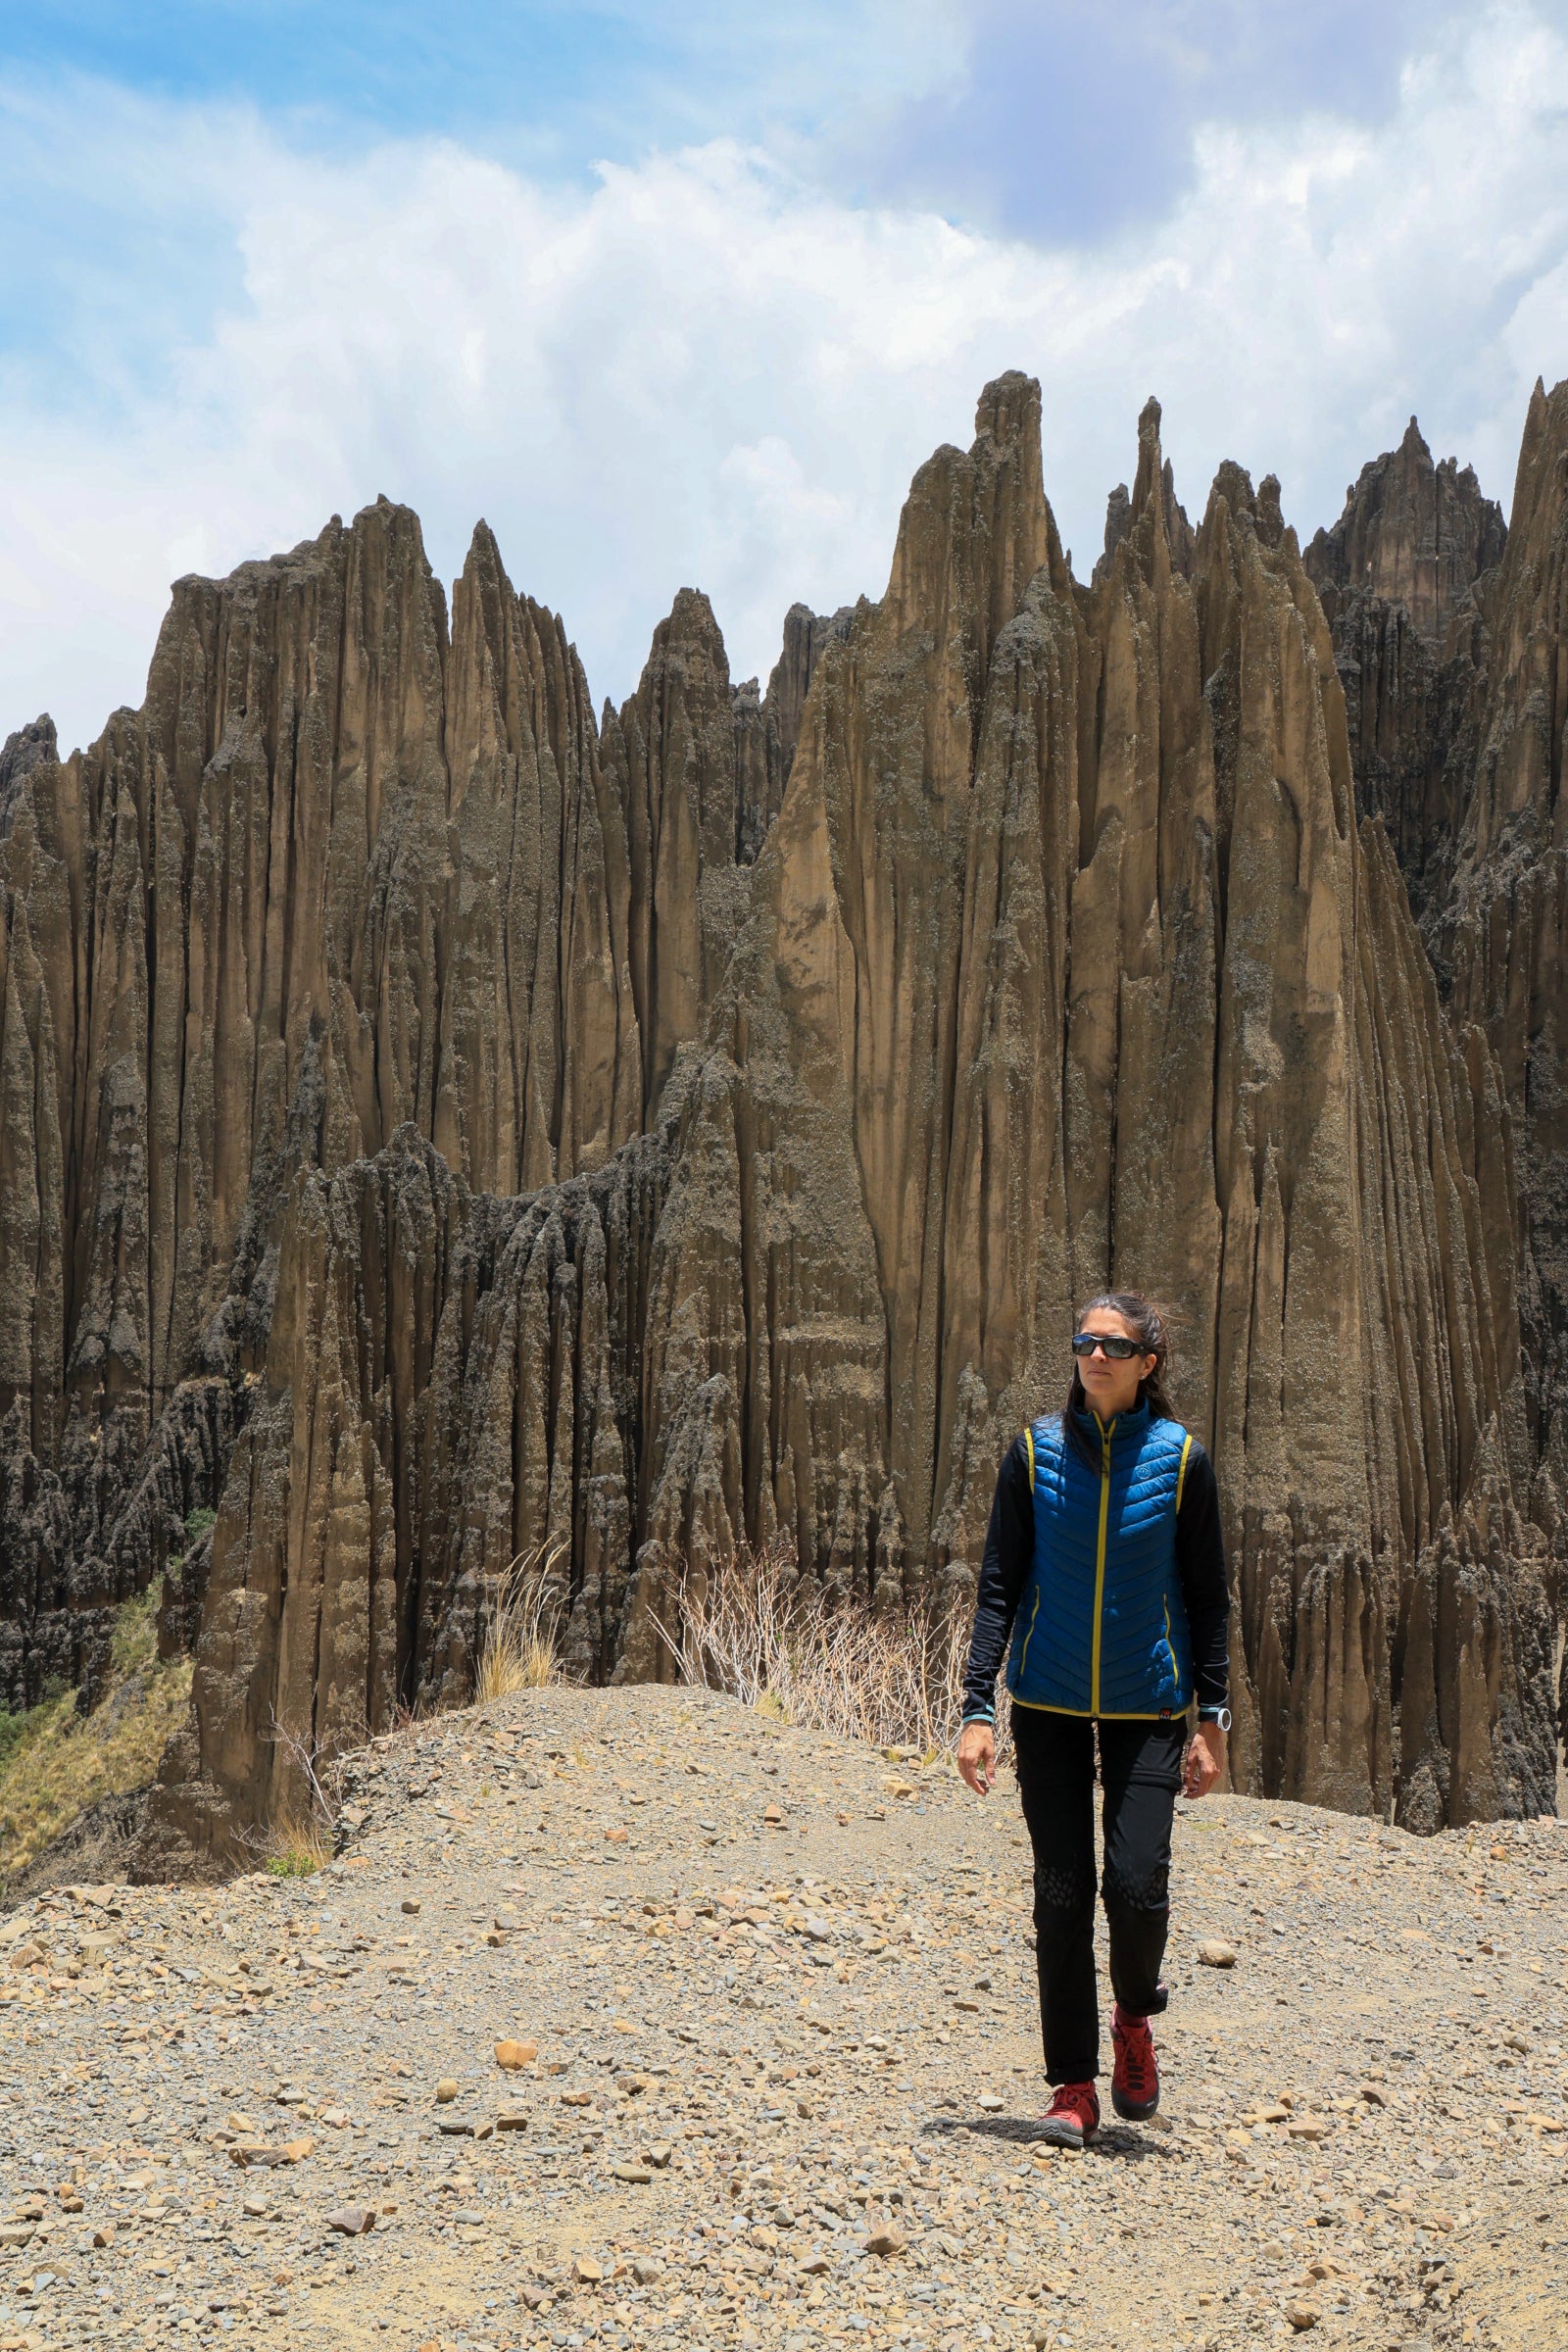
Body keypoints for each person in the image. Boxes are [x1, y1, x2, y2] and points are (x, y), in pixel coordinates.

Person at [956, 1292, 1231, 2147]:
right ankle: (1072, 2085)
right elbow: (999, 1584)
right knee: (1063, 1895)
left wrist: (1212, 1718)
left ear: (1149, 1363)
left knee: (1139, 1883)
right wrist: (976, 1707)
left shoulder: (1182, 1459)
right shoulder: (1034, 1453)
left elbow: (1207, 1599)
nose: (1095, 1356)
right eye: (1084, 1343)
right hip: (1047, 1705)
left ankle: (1134, 2019)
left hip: (1150, 1705)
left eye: (1114, 1346)